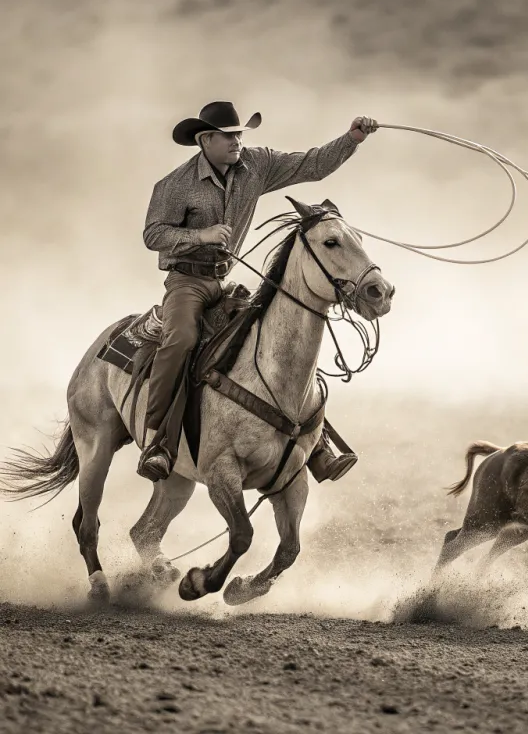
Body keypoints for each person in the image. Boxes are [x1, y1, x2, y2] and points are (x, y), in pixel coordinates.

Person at [139, 100, 378, 483]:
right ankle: (158, 442)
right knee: (182, 339)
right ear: (205, 140)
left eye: (239, 134)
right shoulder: (175, 185)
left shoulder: (257, 165)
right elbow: (153, 234)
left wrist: (352, 139)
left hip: (226, 281)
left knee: (279, 339)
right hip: (187, 281)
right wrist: (200, 235)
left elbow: (312, 164)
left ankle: (315, 444)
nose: (237, 141)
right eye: (229, 135)